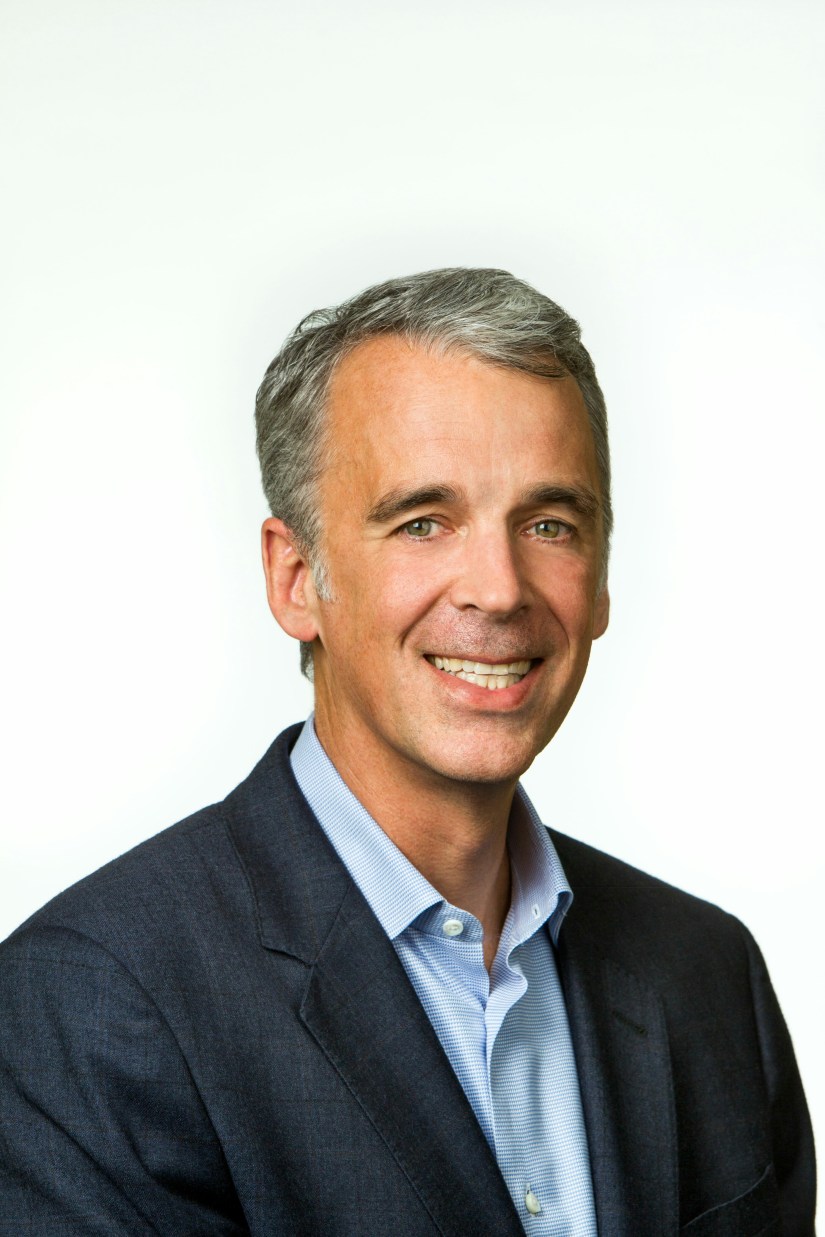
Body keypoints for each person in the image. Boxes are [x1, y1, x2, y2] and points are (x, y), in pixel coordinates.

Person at [0, 269, 815, 1236]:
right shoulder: (90, 1000)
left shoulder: (708, 972)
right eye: (423, 522)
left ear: (600, 577)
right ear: (296, 578)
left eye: (548, 524)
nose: (498, 589)